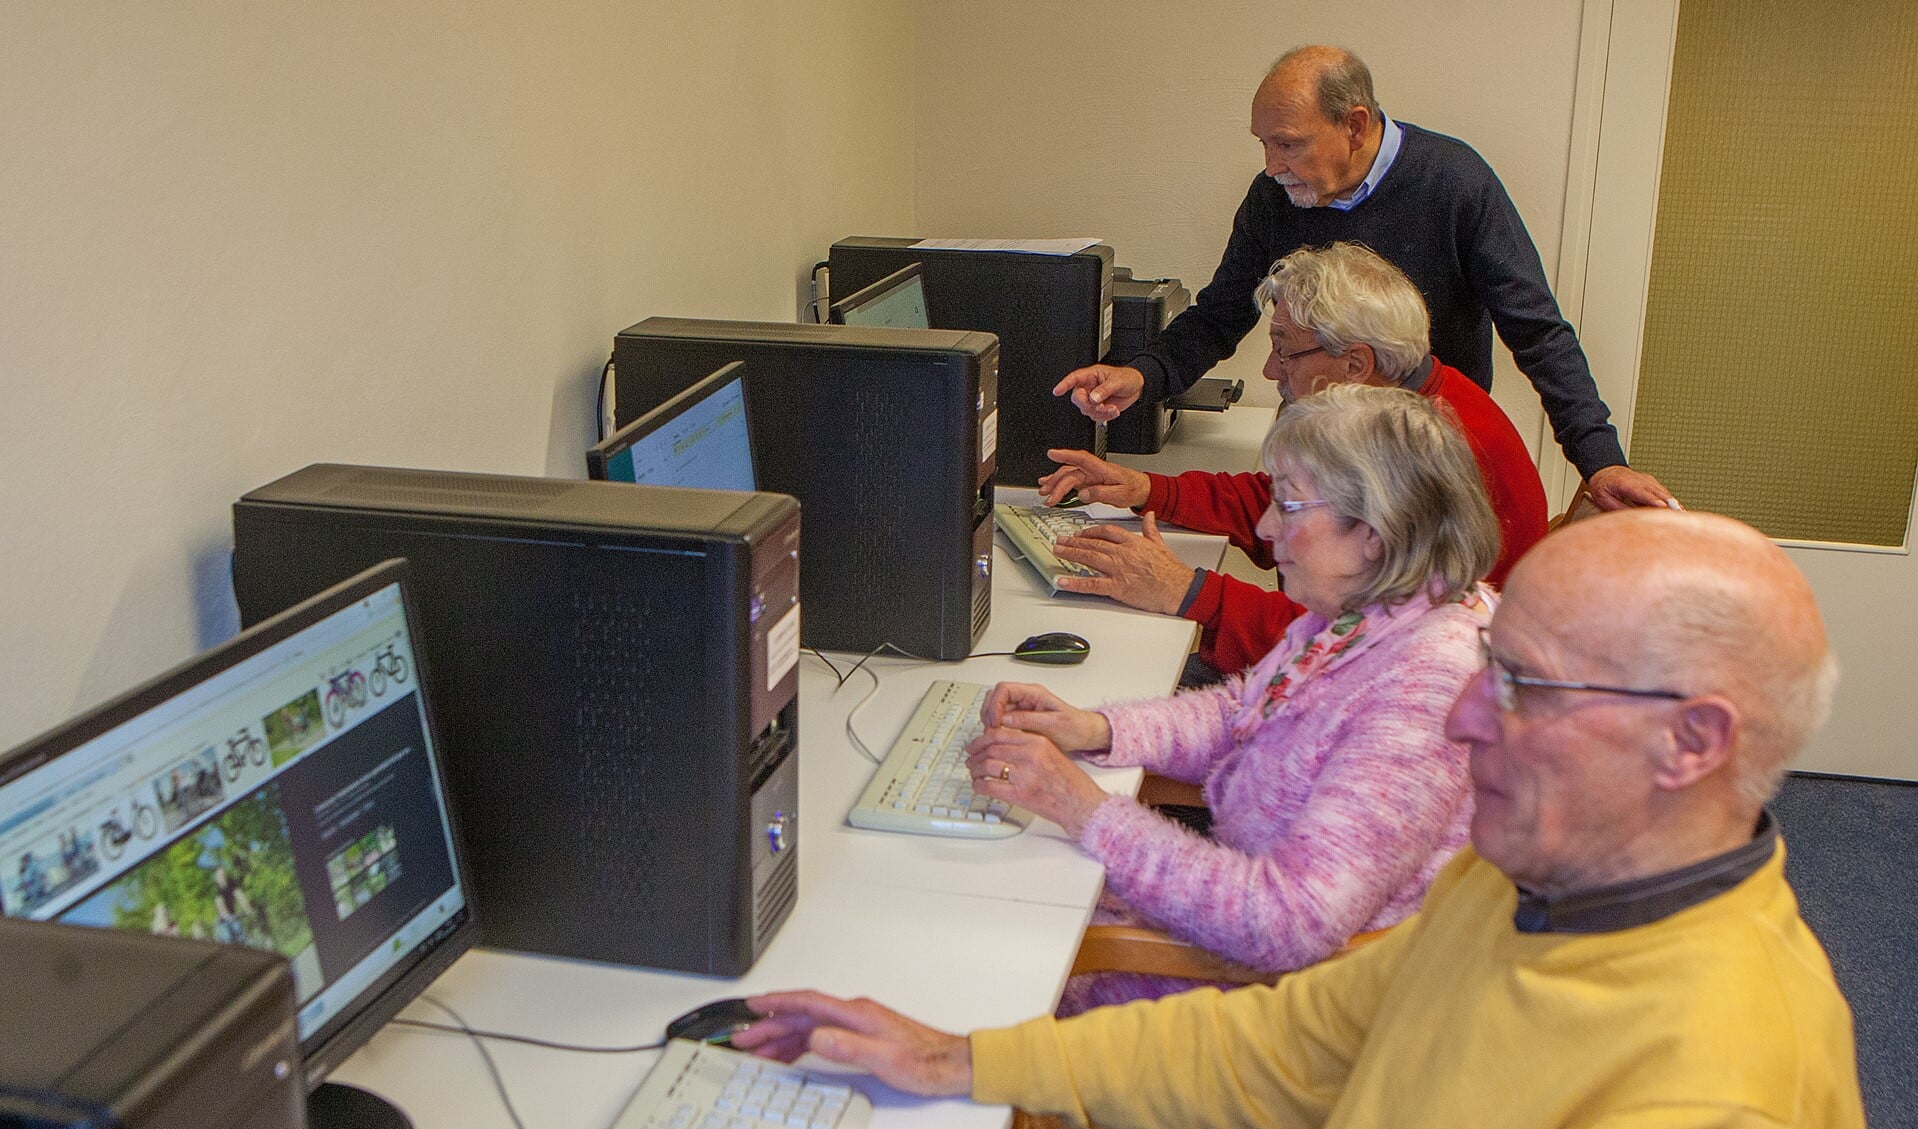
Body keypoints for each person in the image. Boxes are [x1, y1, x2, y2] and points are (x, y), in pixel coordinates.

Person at [732, 509, 1864, 1128]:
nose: (1463, 719)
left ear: (1693, 742)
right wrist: (966, 1057)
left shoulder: (1704, 1086)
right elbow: (1287, 1041)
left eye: (1523, 685)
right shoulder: (1528, 881)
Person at [966, 384, 1499, 1012]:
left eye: (1290, 506)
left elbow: (1288, 922)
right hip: (1244, 942)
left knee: (980, 952)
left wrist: (1084, 809)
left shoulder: (1428, 685)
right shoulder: (1377, 611)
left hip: (1281, 1010)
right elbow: (1246, 709)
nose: (1267, 527)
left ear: (1374, 534)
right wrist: (1096, 729)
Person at [1051, 45, 1675, 511]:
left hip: (1422, 461)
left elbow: (1537, 332)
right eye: (1263, 144)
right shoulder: (1274, 197)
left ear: (1354, 125)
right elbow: (1221, 313)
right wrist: (1143, 374)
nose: (1271, 166)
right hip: (1325, 446)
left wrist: (1600, 462)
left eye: (1289, 145)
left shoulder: (1455, 183)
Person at [1039, 242, 1547, 677]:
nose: (1268, 369)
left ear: (1355, 364)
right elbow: (1291, 503)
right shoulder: (1398, 413)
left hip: (1373, 705)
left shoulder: (1433, 458)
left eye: (1284, 350)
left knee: (1124, 678)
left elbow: (1354, 649)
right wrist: (1149, 490)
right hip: (1356, 679)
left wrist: (1187, 591)